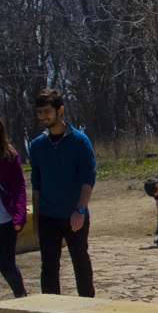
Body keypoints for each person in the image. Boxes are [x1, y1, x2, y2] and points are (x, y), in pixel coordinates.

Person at [29, 89, 96, 296]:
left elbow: (88, 177)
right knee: (48, 267)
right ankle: (52, 311)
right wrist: (36, 219)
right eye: (39, 112)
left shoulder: (80, 141)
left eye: (46, 111)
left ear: (60, 110)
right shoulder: (36, 145)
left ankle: (88, 308)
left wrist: (80, 209)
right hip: (48, 217)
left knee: (81, 263)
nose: (42, 117)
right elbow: (36, 183)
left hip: (74, 215)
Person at [0, 116, 27, 298]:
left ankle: (21, 295)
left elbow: (19, 187)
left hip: (5, 221)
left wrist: (19, 214)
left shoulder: (9, 154)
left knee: (7, 266)